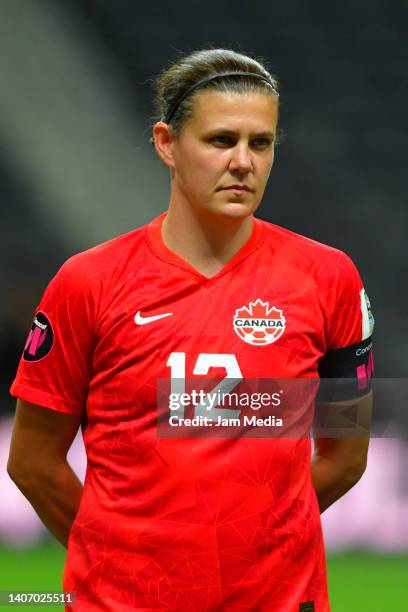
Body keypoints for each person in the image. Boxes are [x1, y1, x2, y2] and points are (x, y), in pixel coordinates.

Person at [8, 48, 374, 611]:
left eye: (261, 142)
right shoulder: (89, 283)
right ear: (166, 144)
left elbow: (346, 456)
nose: (244, 162)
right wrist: (127, 557)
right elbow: (32, 460)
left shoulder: (329, 279)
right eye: (221, 140)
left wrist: (251, 543)